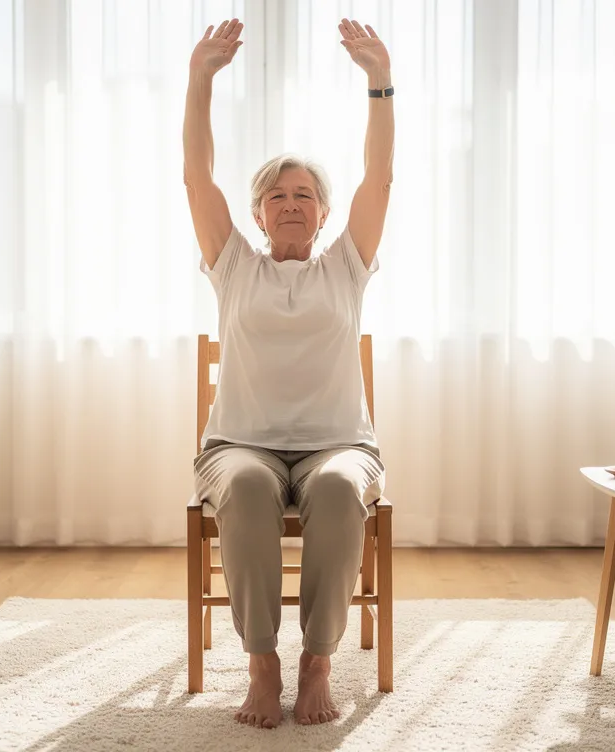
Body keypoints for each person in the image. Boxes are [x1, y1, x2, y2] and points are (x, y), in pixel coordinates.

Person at [183, 17, 394, 729]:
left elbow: (382, 175)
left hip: (340, 444)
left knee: (337, 488)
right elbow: (194, 175)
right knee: (244, 484)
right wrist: (201, 80)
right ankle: (263, 662)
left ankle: (317, 663)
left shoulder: (347, 266)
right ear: (258, 214)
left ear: (325, 212)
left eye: (305, 194)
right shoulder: (234, 265)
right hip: (241, 442)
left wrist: (378, 82)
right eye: (278, 195)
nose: (292, 204)